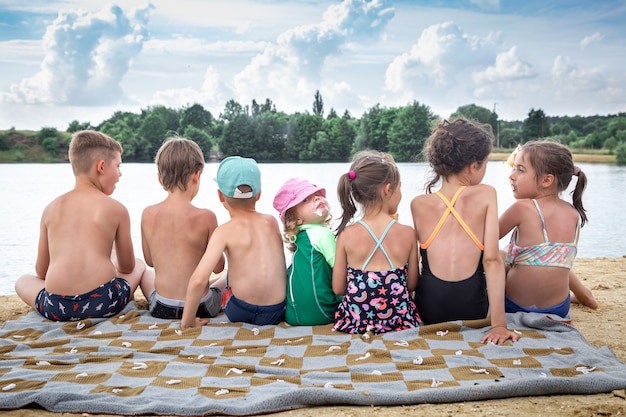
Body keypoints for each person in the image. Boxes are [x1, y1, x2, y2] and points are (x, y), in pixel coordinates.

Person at [14, 130, 145, 321]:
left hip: (57, 307)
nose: (120, 174)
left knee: (22, 281)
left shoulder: (51, 208)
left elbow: (41, 272)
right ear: (101, 166)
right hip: (104, 303)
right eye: (118, 166)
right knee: (139, 265)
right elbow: (127, 267)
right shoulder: (117, 209)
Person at [410, 118, 517, 345]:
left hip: (429, 311)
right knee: (503, 255)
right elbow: (491, 260)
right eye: (485, 164)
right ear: (473, 166)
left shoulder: (418, 203)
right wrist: (499, 324)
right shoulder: (486, 193)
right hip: (472, 309)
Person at [181, 156, 287, 328]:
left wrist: (188, 322)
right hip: (276, 312)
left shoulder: (223, 231)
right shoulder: (272, 222)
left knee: (229, 275)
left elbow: (198, 280)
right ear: (259, 195)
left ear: (220, 196)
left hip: (240, 311)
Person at [500, 139, 597, 318]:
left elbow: (485, 238)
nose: (511, 175)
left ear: (546, 180)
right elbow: (551, 260)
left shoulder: (522, 208)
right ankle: (584, 296)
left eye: (520, 170)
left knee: (504, 251)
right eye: (513, 168)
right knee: (552, 257)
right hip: (558, 308)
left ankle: (583, 295)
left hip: (514, 305)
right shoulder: (573, 214)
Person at [332, 150, 420, 334]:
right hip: (400, 321)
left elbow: (338, 288)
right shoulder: (408, 233)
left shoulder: (346, 235)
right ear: (388, 190)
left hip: (356, 322)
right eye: (399, 187)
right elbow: (412, 285)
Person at [140, 137, 225, 320]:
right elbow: (219, 267)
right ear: (196, 176)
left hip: (162, 307)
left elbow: (150, 262)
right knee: (229, 276)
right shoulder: (207, 217)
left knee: (146, 274)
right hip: (200, 307)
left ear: (160, 179)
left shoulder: (148, 214)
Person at [273, 177, 341, 326]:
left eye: (318, 194)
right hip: (321, 313)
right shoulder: (322, 234)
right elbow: (340, 269)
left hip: (293, 315)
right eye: (306, 200)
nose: (317, 198)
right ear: (296, 219)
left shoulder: (301, 237)